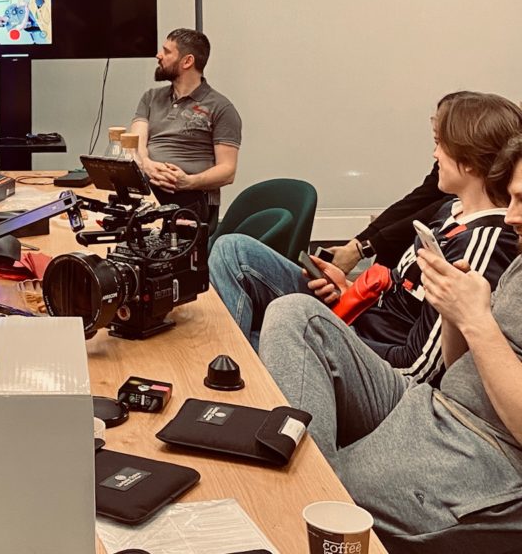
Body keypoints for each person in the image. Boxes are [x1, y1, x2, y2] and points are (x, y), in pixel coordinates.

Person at [259, 131, 522, 554]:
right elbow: (458, 370)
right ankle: (300, 489)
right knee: (296, 314)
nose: (510, 216)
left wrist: (477, 322)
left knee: (316, 501)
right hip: (433, 406)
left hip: (483, 454)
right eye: (511, 199)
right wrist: (453, 312)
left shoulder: (497, 241)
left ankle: (298, 506)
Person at [211, 93, 521, 381]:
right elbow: (397, 294)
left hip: (375, 359)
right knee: (234, 250)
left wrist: (334, 341)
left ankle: (228, 378)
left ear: (469, 160)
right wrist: (348, 289)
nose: (434, 154)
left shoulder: (482, 243)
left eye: (440, 144)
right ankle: (231, 370)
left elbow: (421, 368)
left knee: (261, 335)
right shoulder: (449, 210)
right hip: (358, 318)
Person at [323, 92, 474, 274]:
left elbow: (428, 211)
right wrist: (357, 245)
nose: (435, 153)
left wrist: (363, 249)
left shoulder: (459, 213)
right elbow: (417, 200)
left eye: (440, 142)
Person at [130, 28, 241, 232]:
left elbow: (228, 171)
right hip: (147, 188)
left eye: (166, 51)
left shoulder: (221, 108)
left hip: (189, 198)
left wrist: (188, 182)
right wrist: (146, 164)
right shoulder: (150, 97)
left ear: (187, 61)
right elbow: (135, 143)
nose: (158, 55)